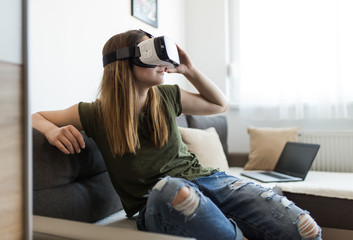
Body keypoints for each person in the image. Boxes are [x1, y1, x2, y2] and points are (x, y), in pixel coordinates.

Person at [32, 29, 322, 240]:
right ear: (123, 61)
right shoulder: (96, 113)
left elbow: (220, 104)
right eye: (151, 52)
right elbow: (34, 116)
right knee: (172, 190)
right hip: (157, 200)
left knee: (306, 228)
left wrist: (190, 71)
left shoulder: (167, 96)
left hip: (212, 181)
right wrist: (51, 129)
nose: (163, 61)